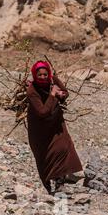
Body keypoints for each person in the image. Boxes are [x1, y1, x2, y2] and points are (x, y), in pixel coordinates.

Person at [26, 60, 84, 194]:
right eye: (39, 75)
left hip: (56, 124)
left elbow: (65, 92)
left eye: (45, 74)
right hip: (39, 129)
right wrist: (52, 95)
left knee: (63, 148)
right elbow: (42, 112)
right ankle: (48, 185)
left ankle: (60, 182)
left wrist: (59, 90)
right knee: (45, 155)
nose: (42, 77)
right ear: (35, 75)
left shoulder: (53, 82)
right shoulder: (32, 91)